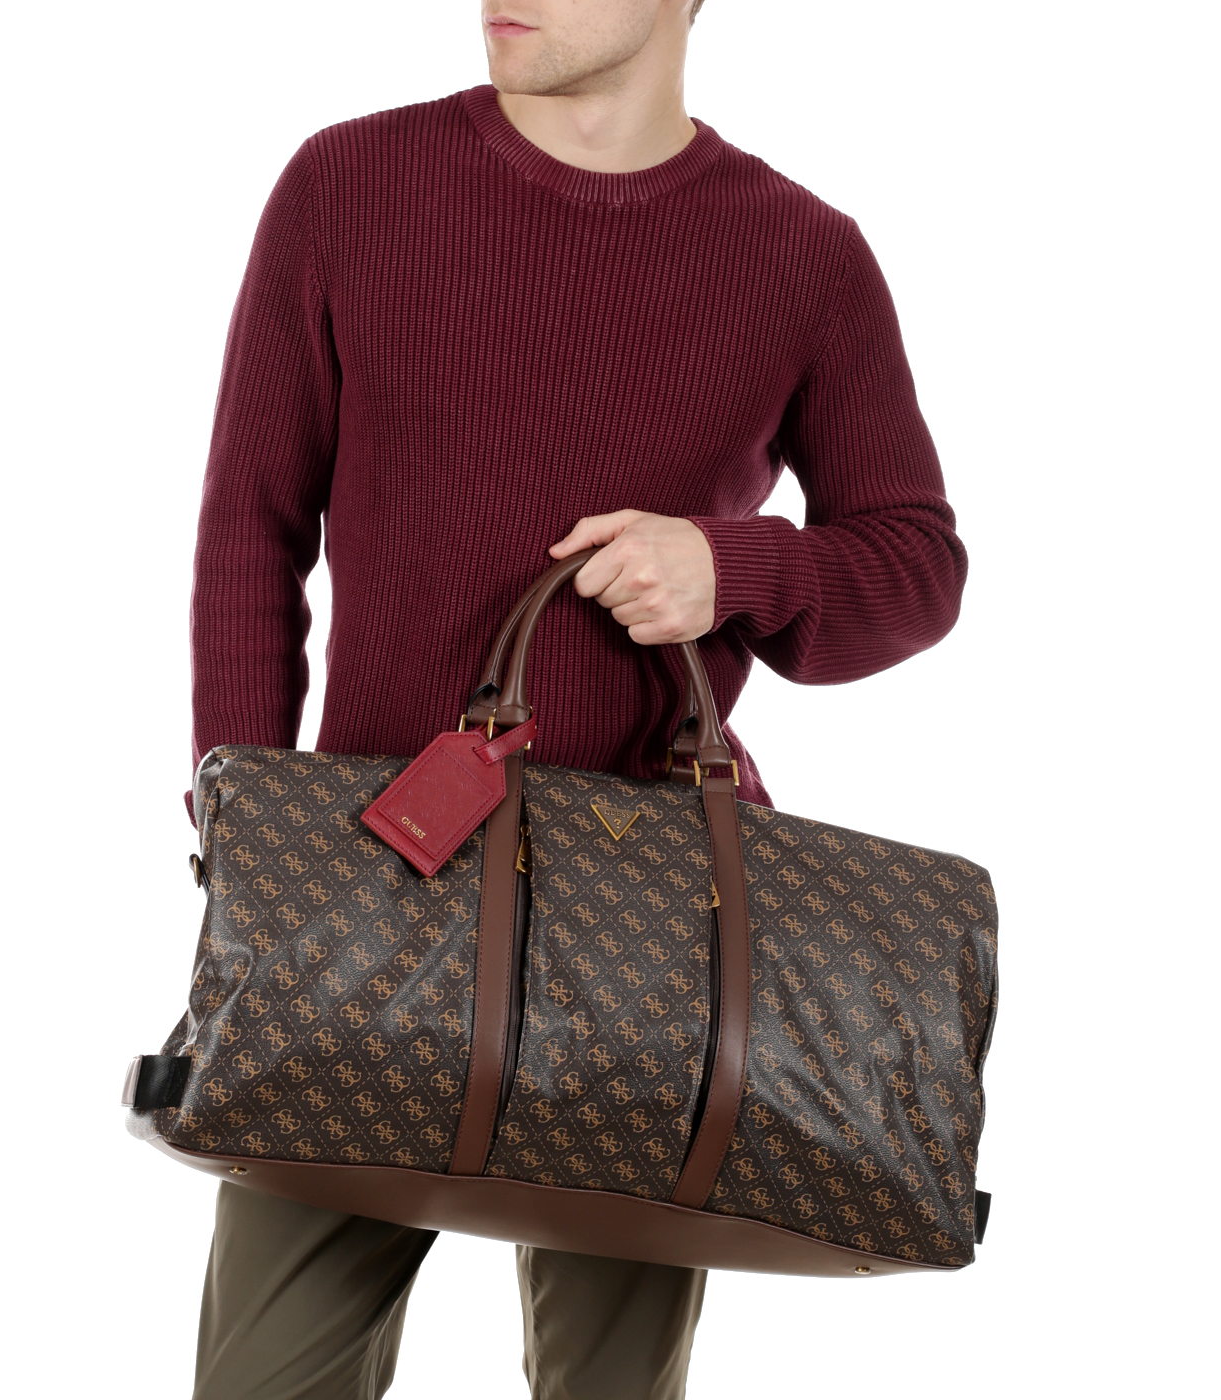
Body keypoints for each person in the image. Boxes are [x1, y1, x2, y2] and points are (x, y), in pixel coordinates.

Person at [187, 2, 966, 1396]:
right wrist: (244, 829)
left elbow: (917, 565)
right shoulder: (351, 183)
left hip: (654, 929)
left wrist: (731, 567)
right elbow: (253, 527)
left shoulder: (804, 254)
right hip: (377, 882)